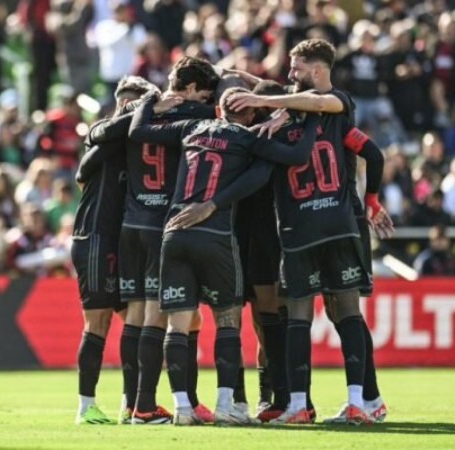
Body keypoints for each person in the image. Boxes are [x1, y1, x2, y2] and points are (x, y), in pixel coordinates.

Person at [129, 86, 319, 425]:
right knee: (228, 319)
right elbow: (292, 159)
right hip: (214, 234)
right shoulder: (247, 138)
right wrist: (309, 118)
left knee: (178, 323)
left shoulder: (191, 127)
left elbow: (138, 130)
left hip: (173, 233)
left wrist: (148, 101)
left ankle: (183, 408)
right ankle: (226, 405)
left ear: (218, 109)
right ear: (247, 114)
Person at [226, 38, 393, 425]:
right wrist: (253, 85)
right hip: (337, 222)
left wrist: (263, 105)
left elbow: (313, 100)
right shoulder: (331, 123)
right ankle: (361, 400)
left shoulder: (325, 108)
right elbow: (372, 152)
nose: (289, 76)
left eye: (296, 68)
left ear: (317, 70)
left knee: (325, 313)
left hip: (307, 228)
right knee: (342, 312)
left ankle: (341, 401)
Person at [118, 58, 219, 426]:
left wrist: (142, 103)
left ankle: (132, 403)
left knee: (141, 316)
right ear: (191, 89)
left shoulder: (133, 115)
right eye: (205, 91)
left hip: (132, 222)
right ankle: (153, 405)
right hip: (167, 224)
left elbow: (107, 133)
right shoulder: (195, 115)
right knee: (178, 317)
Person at [70, 75, 155, 425]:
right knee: (99, 322)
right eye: (127, 101)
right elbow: (88, 158)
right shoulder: (104, 137)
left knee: (133, 318)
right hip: (95, 237)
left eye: (136, 101)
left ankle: (130, 403)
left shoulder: (138, 144)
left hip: (123, 240)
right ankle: (86, 406)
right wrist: (143, 106)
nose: (130, 106)